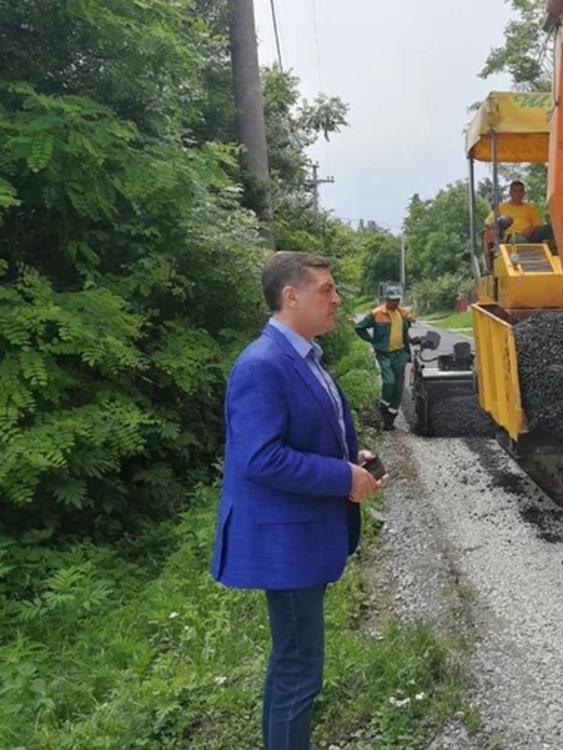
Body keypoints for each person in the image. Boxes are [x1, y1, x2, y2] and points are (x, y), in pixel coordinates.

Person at [211, 251, 384, 750]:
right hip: (285, 543)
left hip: (302, 535)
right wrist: (342, 477)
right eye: (326, 290)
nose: (337, 299)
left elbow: (303, 433)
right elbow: (261, 459)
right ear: (291, 296)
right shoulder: (263, 364)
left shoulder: (304, 355)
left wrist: (352, 457)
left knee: (295, 664)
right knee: (298, 669)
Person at [354, 284, 414, 430]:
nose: (395, 302)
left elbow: (404, 333)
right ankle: (383, 406)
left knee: (398, 387)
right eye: (392, 300)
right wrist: (372, 341)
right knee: (389, 382)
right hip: (384, 354)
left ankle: (390, 419)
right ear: (386, 299)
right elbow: (359, 327)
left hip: (400, 354)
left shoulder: (403, 313)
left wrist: (410, 343)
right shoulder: (376, 313)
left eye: (397, 300)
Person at [484, 179, 552, 243]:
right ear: (510, 193)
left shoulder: (530, 207)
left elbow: (538, 224)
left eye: (521, 191)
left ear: (524, 193)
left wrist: (531, 228)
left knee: (548, 228)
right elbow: (488, 222)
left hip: (530, 236)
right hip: (512, 236)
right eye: (515, 191)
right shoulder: (501, 207)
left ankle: (554, 249)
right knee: (519, 239)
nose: (518, 194)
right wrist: (498, 223)